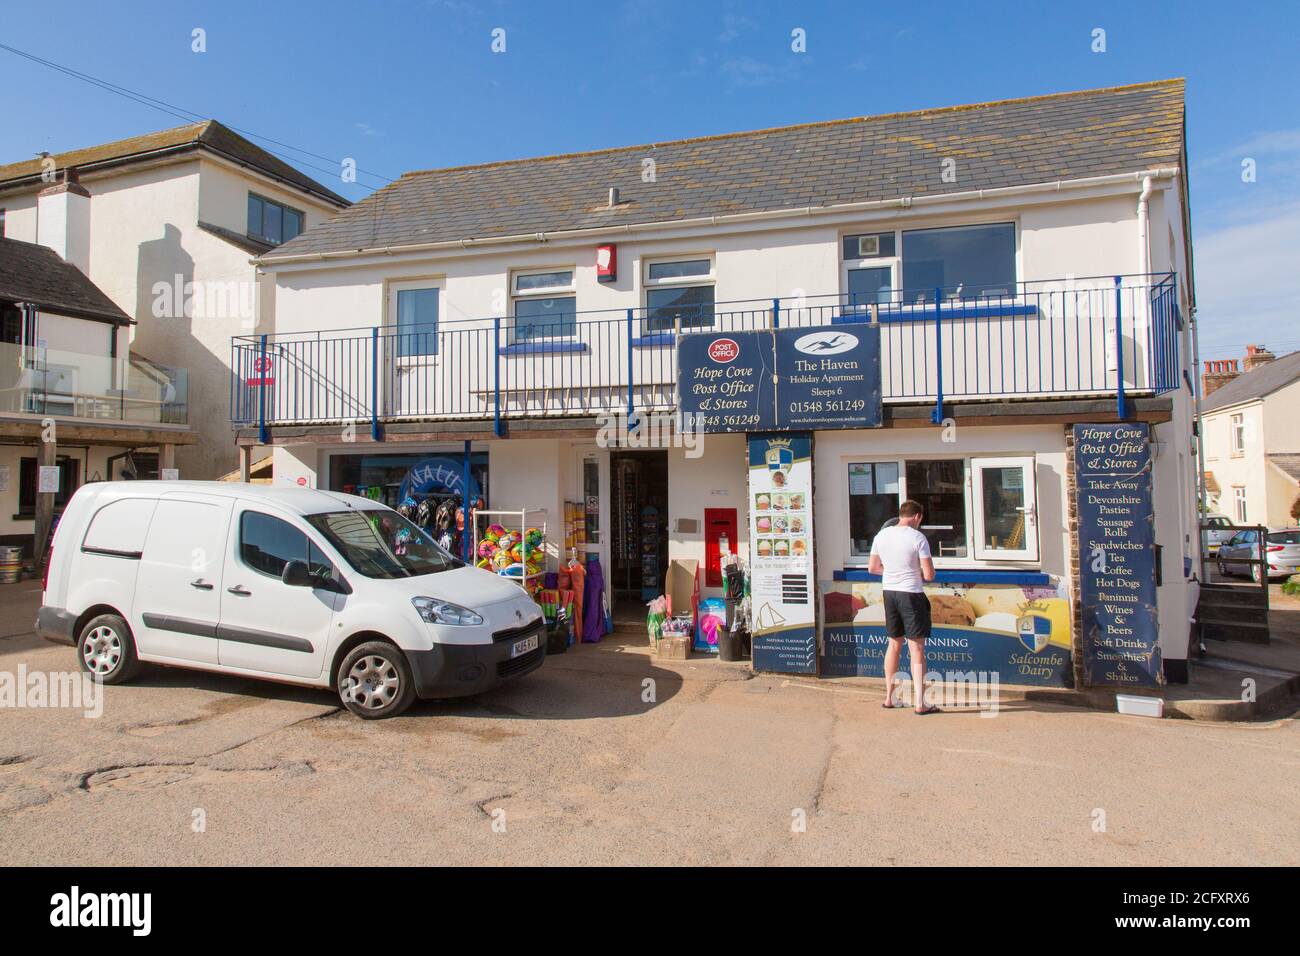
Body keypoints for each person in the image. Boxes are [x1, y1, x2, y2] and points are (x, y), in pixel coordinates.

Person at [868, 500, 939, 714]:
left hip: (889, 593)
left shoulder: (881, 536)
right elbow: (929, 574)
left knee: (893, 645)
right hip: (912, 594)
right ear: (917, 516)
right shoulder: (918, 537)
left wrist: (892, 572)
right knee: (916, 649)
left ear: (901, 515)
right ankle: (920, 703)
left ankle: (890, 698)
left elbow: (873, 568)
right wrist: (914, 573)